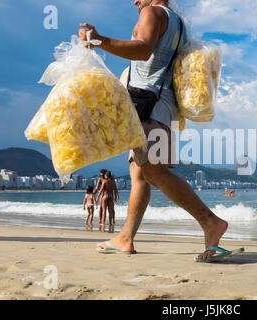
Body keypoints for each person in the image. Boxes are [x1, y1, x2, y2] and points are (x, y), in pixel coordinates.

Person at [79, 0, 228, 261]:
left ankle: (210, 222)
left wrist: (99, 40)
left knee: (154, 171)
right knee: (139, 173)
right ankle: (125, 238)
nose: (134, 1)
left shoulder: (153, 12)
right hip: (158, 105)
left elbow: (142, 50)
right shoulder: (178, 22)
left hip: (150, 106)